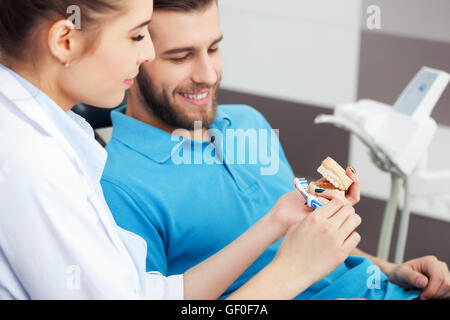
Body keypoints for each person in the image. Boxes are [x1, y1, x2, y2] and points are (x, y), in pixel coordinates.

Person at [0, 0, 363, 300]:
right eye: (137, 35)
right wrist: (291, 271)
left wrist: (277, 220)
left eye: (215, 47)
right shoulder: (32, 164)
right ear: (66, 41)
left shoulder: (57, 139)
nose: (145, 53)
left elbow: (148, 294)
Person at [101, 0, 450, 300]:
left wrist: (389, 269)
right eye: (180, 57)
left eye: (213, 48)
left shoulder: (247, 122)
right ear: (135, 58)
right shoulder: (118, 185)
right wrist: (293, 270)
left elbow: (305, 240)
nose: (208, 74)